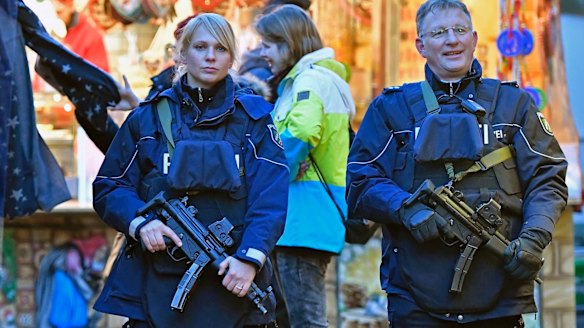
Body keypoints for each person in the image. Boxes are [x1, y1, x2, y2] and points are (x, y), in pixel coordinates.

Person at [346, 0, 568, 327]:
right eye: (439, 32)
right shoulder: (390, 110)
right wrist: (405, 208)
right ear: (421, 45)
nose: (452, 39)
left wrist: (534, 238)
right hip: (414, 296)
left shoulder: (513, 105)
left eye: (460, 30)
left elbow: (547, 177)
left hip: (501, 293)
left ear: (474, 40)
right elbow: (360, 180)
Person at [92, 13, 289, 328]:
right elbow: (110, 186)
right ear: (180, 54)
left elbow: (271, 198)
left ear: (232, 57)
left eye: (221, 48)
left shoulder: (255, 121)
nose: (211, 56)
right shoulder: (148, 119)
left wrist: (250, 258)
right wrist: (140, 223)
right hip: (157, 285)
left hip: (233, 279)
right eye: (200, 47)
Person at [255, 5, 355, 327]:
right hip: (306, 217)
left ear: (288, 42)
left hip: (303, 218)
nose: (262, 53)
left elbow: (301, 131)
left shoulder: (309, 80)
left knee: (305, 319)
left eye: (268, 44)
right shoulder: (314, 78)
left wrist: (276, 170)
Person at [51, 0, 110, 72]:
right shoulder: (65, 32)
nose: (57, 17)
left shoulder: (91, 34)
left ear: (70, 7)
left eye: (59, 12)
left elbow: (99, 73)